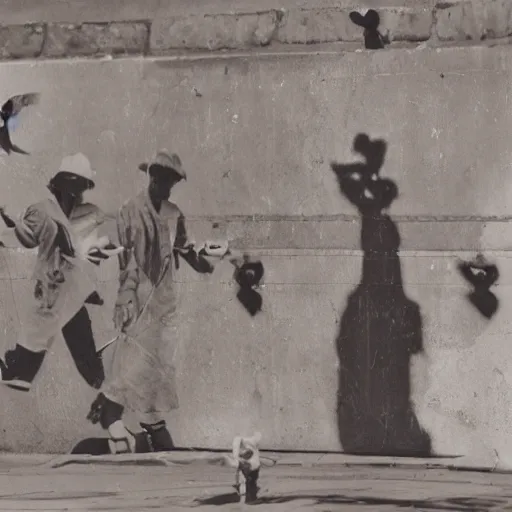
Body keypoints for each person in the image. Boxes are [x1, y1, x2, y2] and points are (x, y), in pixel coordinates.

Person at [87, 150, 229, 454]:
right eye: (162, 179)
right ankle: (120, 421)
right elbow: (125, 260)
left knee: (156, 370)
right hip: (137, 304)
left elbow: (185, 250)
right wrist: (124, 302)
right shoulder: (130, 210)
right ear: (151, 176)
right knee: (130, 368)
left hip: (163, 306)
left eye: (171, 181)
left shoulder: (174, 214)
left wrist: (210, 257)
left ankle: (145, 426)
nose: (166, 185)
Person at [0, 153, 122, 391]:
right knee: (42, 333)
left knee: (59, 332)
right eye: (75, 186)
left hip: (69, 288)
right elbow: (25, 237)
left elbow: (100, 229)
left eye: (81, 187)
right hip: (53, 287)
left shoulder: (76, 212)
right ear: (62, 184)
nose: (78, 193)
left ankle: (96, 376)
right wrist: (7, 224)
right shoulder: (42, 210)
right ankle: (20, 371)